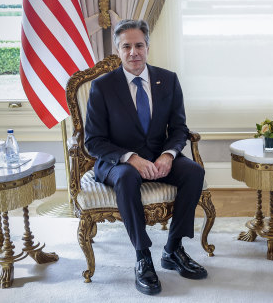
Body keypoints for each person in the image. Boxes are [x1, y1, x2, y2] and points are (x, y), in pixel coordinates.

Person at [85, 19, 207, 295]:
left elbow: (179, 129)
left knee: (194, 172)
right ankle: (143, 257)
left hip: (157, 157)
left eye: (139, 45)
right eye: (126, 46)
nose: (133, 52)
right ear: (118, 50)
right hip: (116, 163)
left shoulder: (169, 80)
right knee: (128, 177)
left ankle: (173, 249)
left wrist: (168, 154)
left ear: (148, 47)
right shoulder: (102, 87)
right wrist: (129, 158)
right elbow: (93, 141)